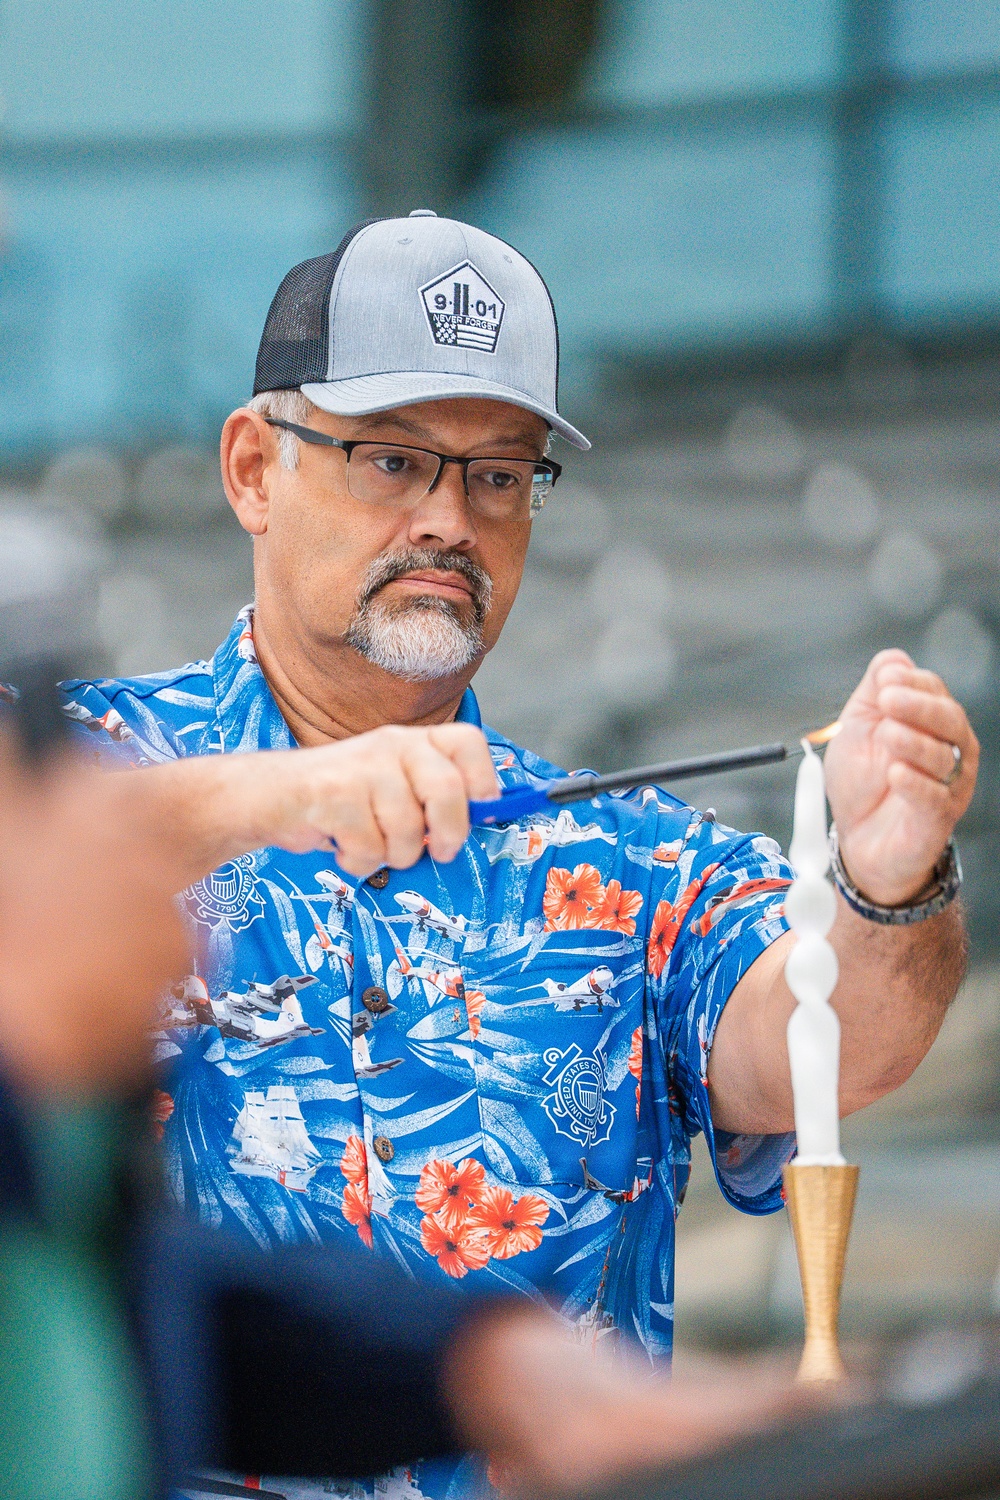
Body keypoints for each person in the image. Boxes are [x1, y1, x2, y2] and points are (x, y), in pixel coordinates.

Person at [60, 211, 978, 1499]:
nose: (449, 517)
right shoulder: (69, 768)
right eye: (393, 459)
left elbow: (836, 1040)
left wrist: (892, 877)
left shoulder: (643, 860)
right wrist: (282, 791)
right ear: (253, 469)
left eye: (499, 474)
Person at [0, 698, 806, 1500]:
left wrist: (489, 1368)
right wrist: (254, 799)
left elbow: (155, 1310)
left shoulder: (637, 845)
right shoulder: (95, 748)